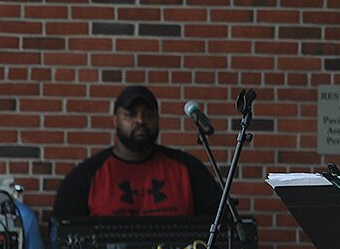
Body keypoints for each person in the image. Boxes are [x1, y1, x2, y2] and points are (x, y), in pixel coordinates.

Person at [53, 85, 220, 218]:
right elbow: (61, 245)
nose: (140, 120)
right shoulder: (84, 177)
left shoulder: (188, 169)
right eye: (131, 115)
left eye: (148, 115)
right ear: (115, 120)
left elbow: (222, 231)